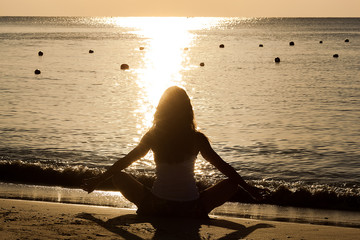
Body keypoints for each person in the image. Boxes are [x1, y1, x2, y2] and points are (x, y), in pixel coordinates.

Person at [82, 86, 265, 218]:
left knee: (119, 177)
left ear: (162, 109)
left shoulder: (154, 136)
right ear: (187, 110)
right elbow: (223, 167)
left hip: (155, 207)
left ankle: (148, 209)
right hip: (192, 209)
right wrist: (248, 188)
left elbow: (125, 161)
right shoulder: (197, 138)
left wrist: (97, 181)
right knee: (232, 184)